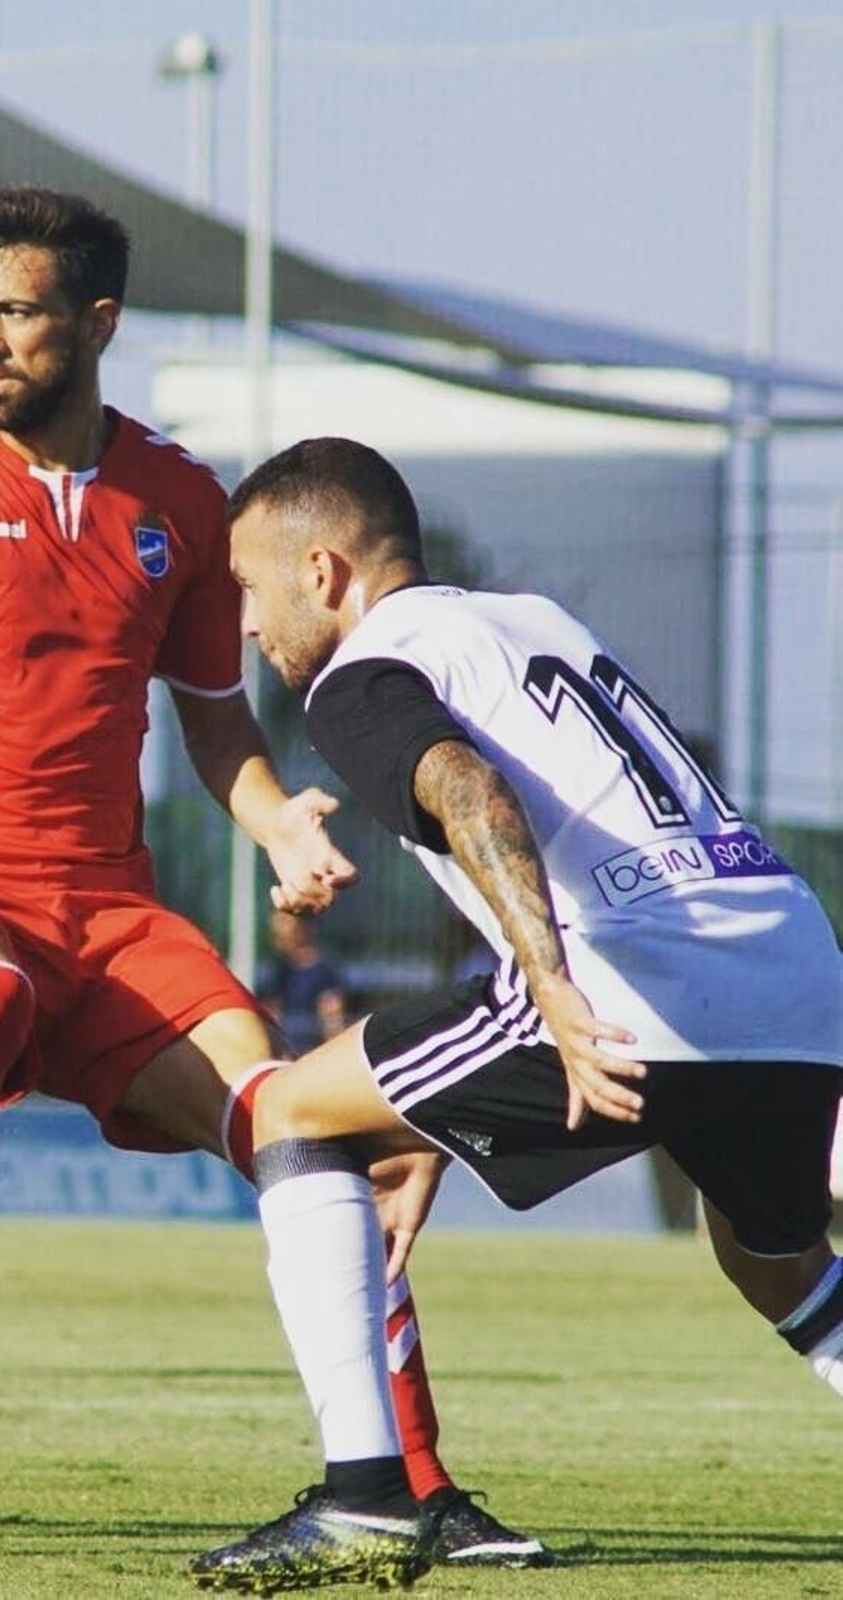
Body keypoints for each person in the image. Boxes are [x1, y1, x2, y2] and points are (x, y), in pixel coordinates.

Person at [0, 187, 547, 1569]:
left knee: (296, 1116)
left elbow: (218, 722)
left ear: (97, 323)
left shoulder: (175, 503)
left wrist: (280, 822)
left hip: (108, 913)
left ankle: (411, 1483)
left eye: (20, 313)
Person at [194, 436, 843, 1590]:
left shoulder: (362, 673)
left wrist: (545, 984)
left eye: (248, 586)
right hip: (790, 965)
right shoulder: (531, 619)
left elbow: (468, 790)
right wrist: (435, 1117)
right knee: (772, 1255)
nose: (245, 625)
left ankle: (364, 1500)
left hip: (627, 982)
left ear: (325, 571)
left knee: (289, 1109)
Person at [257, 908, 348, 1051]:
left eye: (282, 934)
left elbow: (332, 1021)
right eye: (275, 935)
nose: (278, 939)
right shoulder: (278, 970)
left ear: (304, 929)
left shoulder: (323, 970)